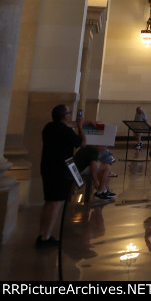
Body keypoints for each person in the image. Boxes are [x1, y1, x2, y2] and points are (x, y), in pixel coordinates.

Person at [38, 105, 83, 247]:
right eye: (69, 113)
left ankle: (42, 233)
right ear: (65, 116)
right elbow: (81, 142)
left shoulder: (48, 127)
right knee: (55, 204)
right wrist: (80, 127)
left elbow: (65, 127)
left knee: (48, 202)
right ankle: (46, 237)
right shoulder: (65, 131)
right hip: (60, 170)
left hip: (47, 167)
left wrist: (78, 123)